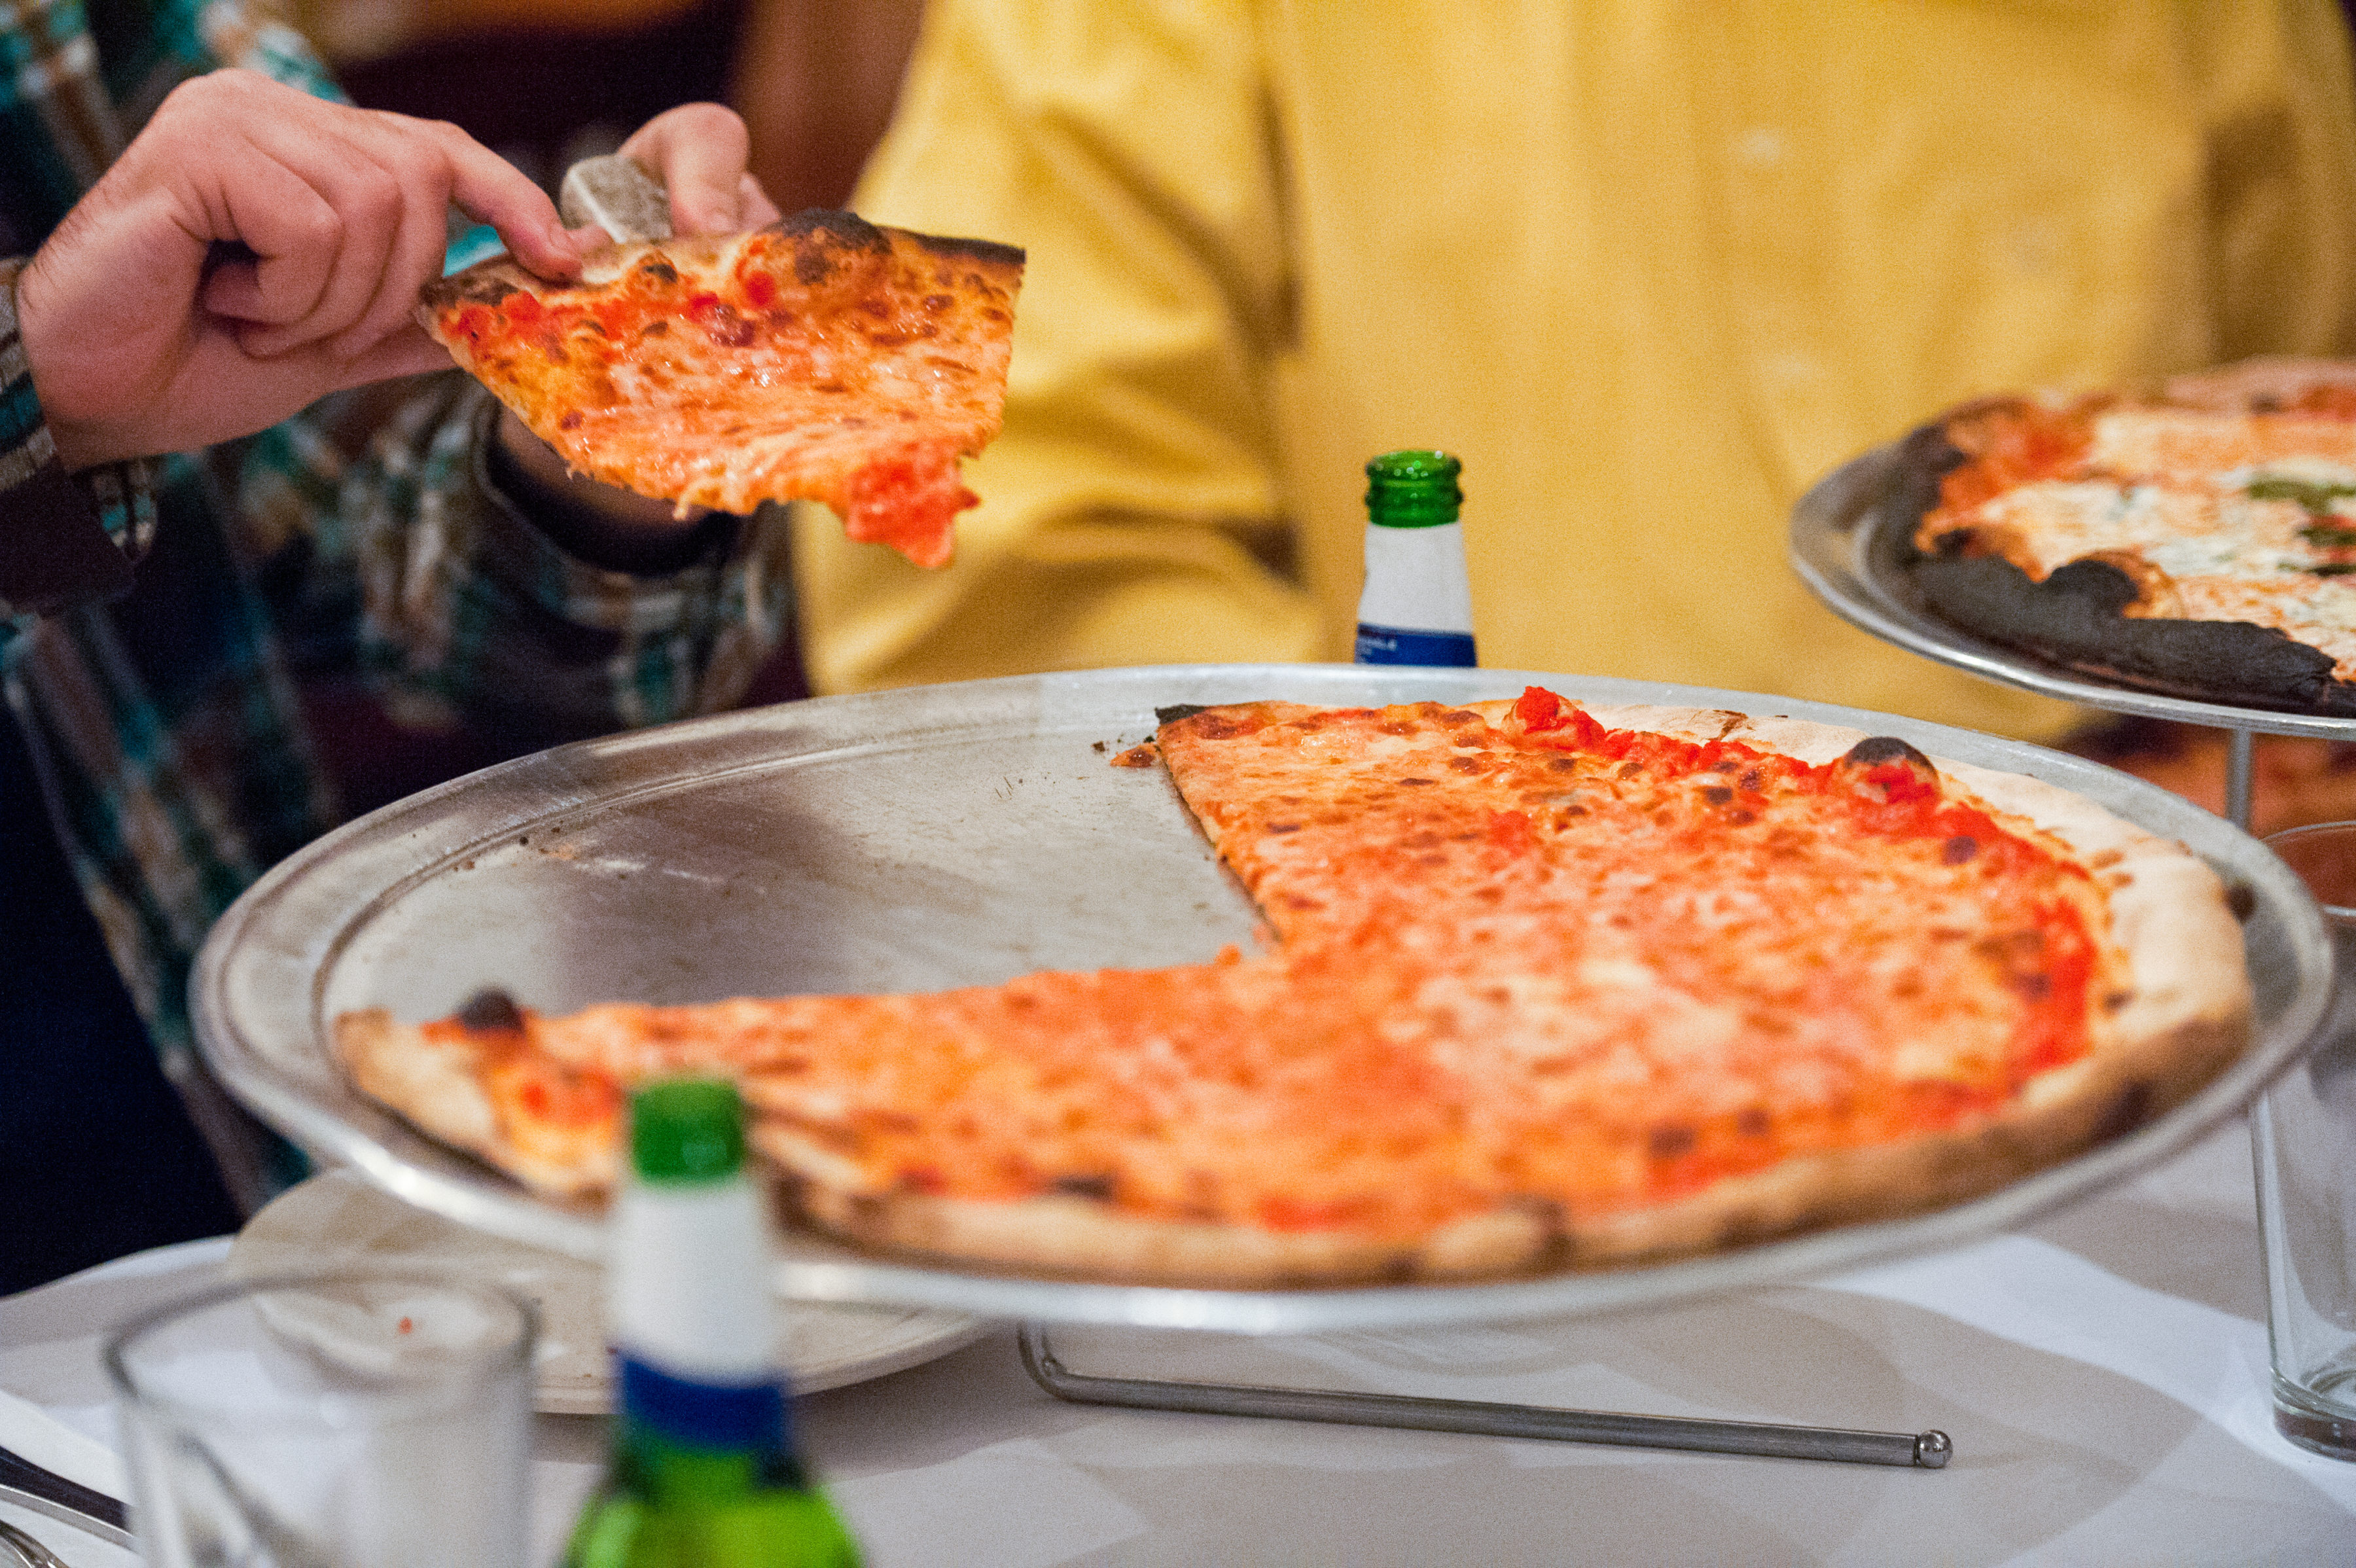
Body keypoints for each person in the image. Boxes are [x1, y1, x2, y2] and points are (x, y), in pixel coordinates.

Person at [791, 1, 2356, 751]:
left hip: (2156, 1015)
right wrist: (1451, 844)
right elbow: (978, 566)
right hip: (1436, 1009)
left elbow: (2286, 514)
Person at [1, 0, 786, 1288]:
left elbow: (388, 571)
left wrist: (598, 428)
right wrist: (32, 394)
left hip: (243, 1207)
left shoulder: (65, 29)